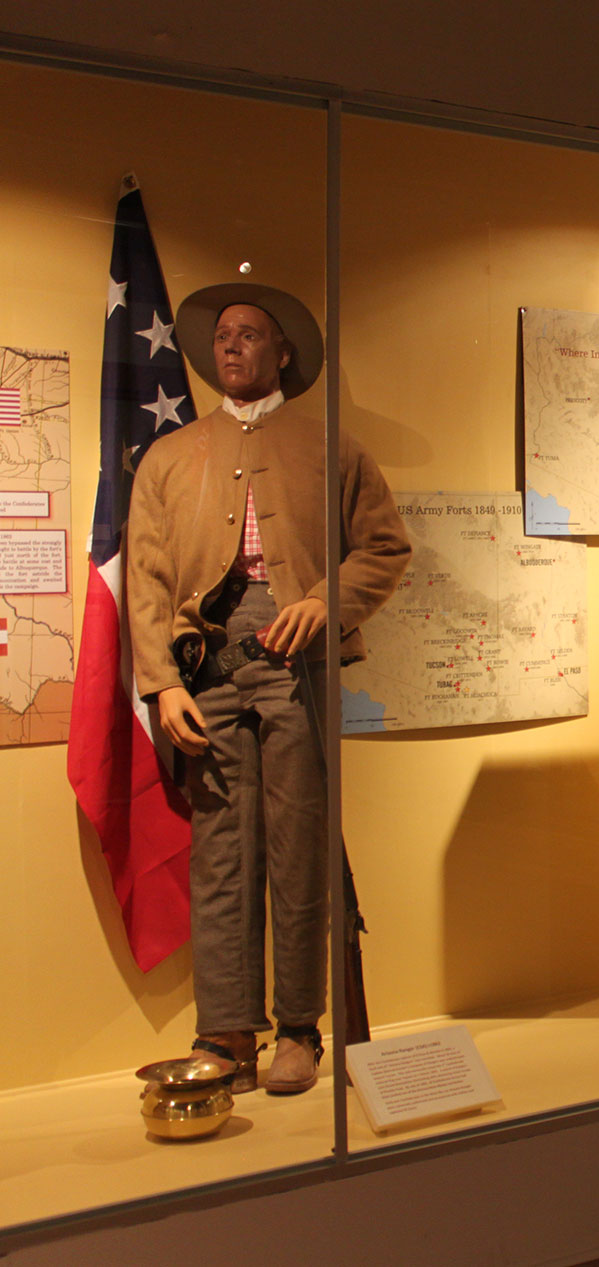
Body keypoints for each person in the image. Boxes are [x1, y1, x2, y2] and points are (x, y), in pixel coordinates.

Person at [128, 282, 411, 1093]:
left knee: (299, 846)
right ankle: (224, 1029)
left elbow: (386, 547)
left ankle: (299, 1028)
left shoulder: (332, 446)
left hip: (299, 666)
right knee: (220, 851)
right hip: (206, 668)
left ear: (281, 351)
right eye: (223, 336)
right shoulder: (173, 456)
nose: (232, 346)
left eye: (250, 334)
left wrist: (325, 600)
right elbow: (145, 582)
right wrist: (160, 685)